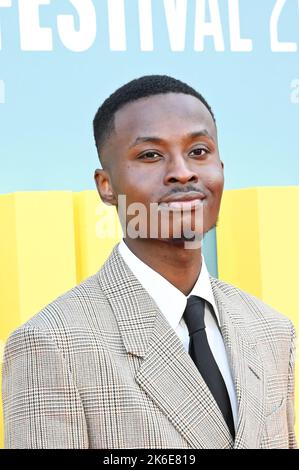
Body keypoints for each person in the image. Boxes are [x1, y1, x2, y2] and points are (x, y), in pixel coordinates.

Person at [2, 75, 297, 449]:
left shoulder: (271, 329)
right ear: (106, 185)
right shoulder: (52, 344)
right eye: (150, 155)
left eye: (199, 151)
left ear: (221, 166)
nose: (183, 172)